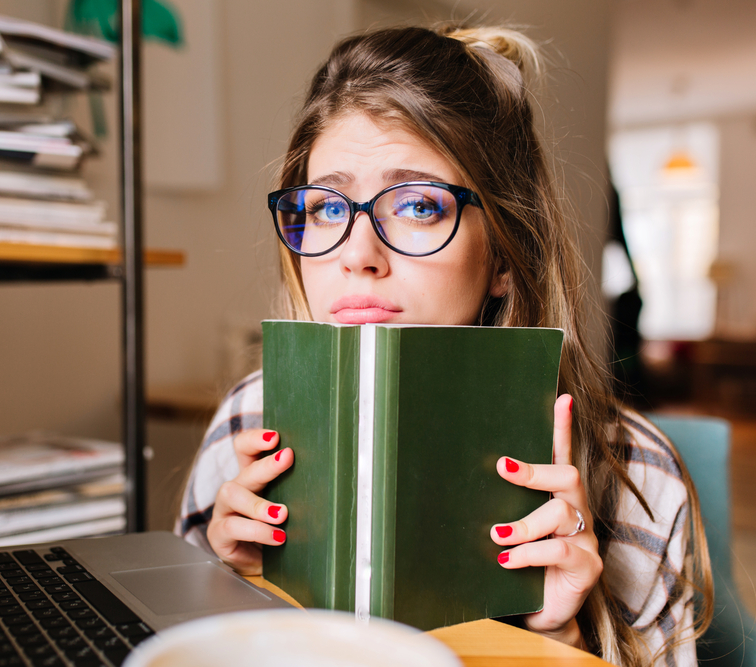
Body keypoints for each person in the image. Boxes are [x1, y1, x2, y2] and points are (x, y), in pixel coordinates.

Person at [176, 24, 712, 667]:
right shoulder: (245, 421)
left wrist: (557, 639)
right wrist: (226, 583)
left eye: (420, 206)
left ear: (505, 258)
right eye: (325, 208)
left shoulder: (642, 480)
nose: (357, 254)